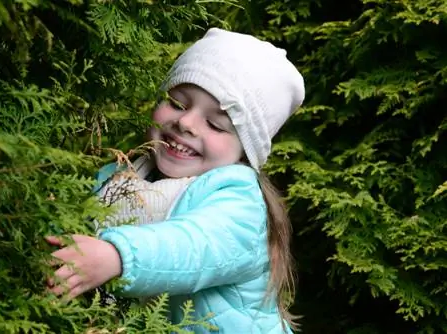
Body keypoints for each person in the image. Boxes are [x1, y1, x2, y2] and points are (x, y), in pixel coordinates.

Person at [45, 27, 305, 333]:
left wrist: (116, 255)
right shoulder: (120, 175)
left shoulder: (240, 202)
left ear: (244, 154)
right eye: (178, 104)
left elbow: (192, 246)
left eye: (214, 124)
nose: (186, 123)